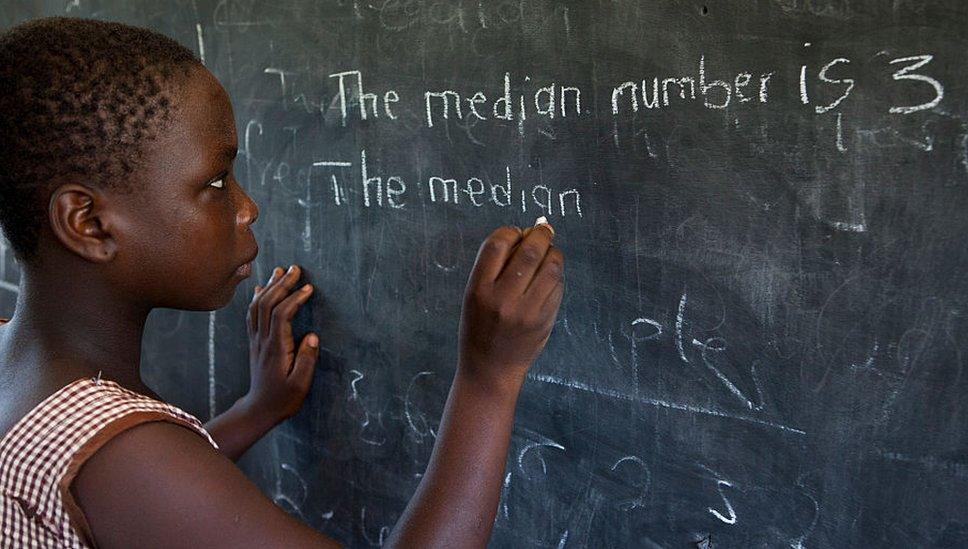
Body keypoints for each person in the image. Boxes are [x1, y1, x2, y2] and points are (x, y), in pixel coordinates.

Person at [0, 16, 564, 548]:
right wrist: (490, 377)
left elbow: (123, 500)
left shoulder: (21, 367)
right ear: (89, 223)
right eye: (216, 182)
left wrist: (256, 411)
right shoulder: (120, 455)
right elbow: (130, 480)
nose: (247, 206)